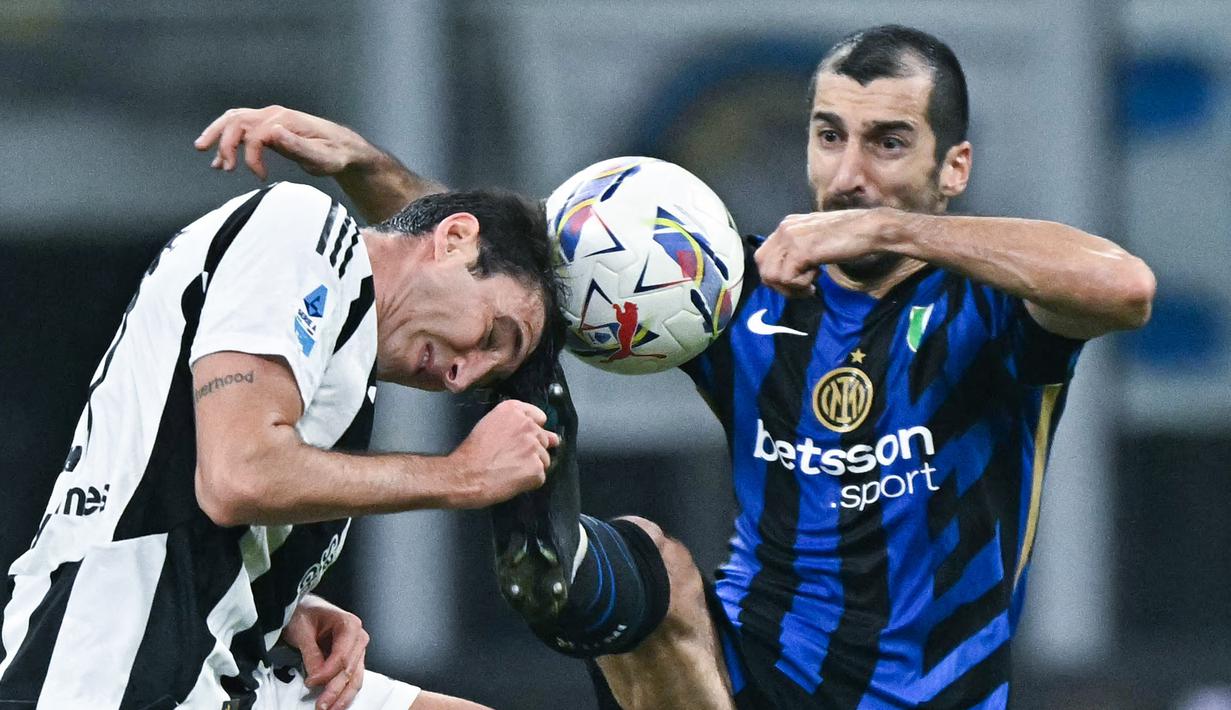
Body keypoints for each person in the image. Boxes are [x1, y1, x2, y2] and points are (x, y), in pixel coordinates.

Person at [195, 23, 1156, 709]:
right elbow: (506, 278)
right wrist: (364, 167)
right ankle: (564, 567)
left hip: (927, 693)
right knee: (646, 562)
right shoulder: (742, 288)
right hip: (734, 672)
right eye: (829, 136)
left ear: (954, 169)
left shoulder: (991, 309)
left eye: (888, 143)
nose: (848, 174)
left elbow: (1123, 285)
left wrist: (888, 230)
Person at [0, 174, 567, 710]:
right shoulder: (304, 227)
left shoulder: (345, 355)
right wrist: (462, 474)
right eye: (491, 335)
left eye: (489, 376)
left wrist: (279, 600)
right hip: (112, 661)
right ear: (456, 239)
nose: (463, 377)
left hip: (209, 661)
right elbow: (239, 475)